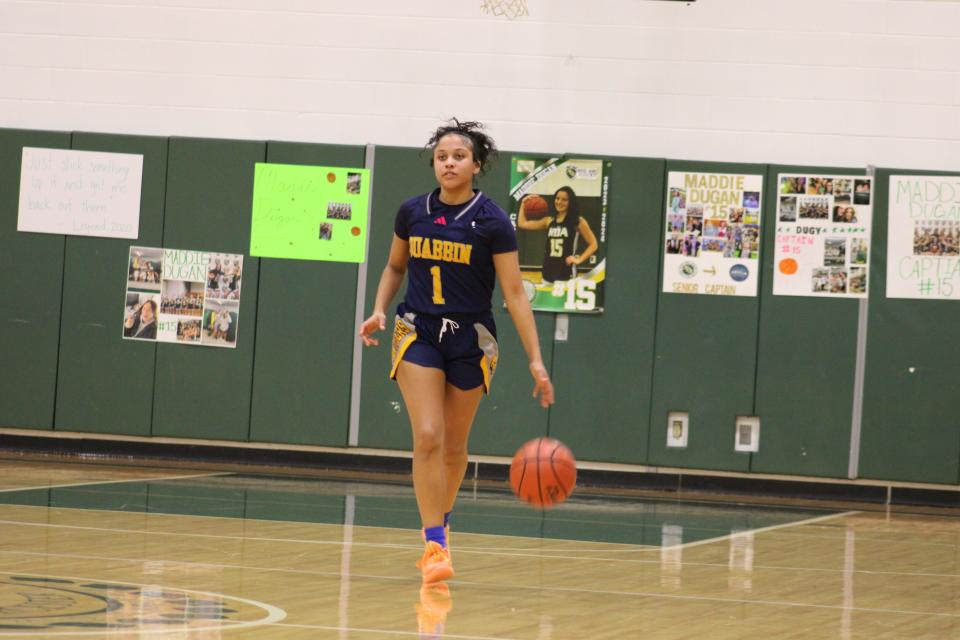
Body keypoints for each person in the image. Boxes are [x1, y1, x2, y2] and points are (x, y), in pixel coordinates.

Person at [358, 119, 554, 585]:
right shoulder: (412, 211)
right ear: (435, 163)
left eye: (459, 156)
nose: (449, 162)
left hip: (472, 338)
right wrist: (379, 309)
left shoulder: (493, 222)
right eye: (442, 156)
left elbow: (515, 294)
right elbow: (393, 265)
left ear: (475, 164)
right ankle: (434, 545)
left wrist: (535, 359)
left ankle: (441, 519)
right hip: (418, 330)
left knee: (454, 445)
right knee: (427, 434)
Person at [517, 186, 598, 284]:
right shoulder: (549, 221)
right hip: (548, 273)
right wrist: (523, 203)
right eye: (557, 198)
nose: (559, 202)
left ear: (570, 202)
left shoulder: (578, 221)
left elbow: (593, 244)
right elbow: (522, 223)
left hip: (567, 274)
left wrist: (579, 259)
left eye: (564, 200)